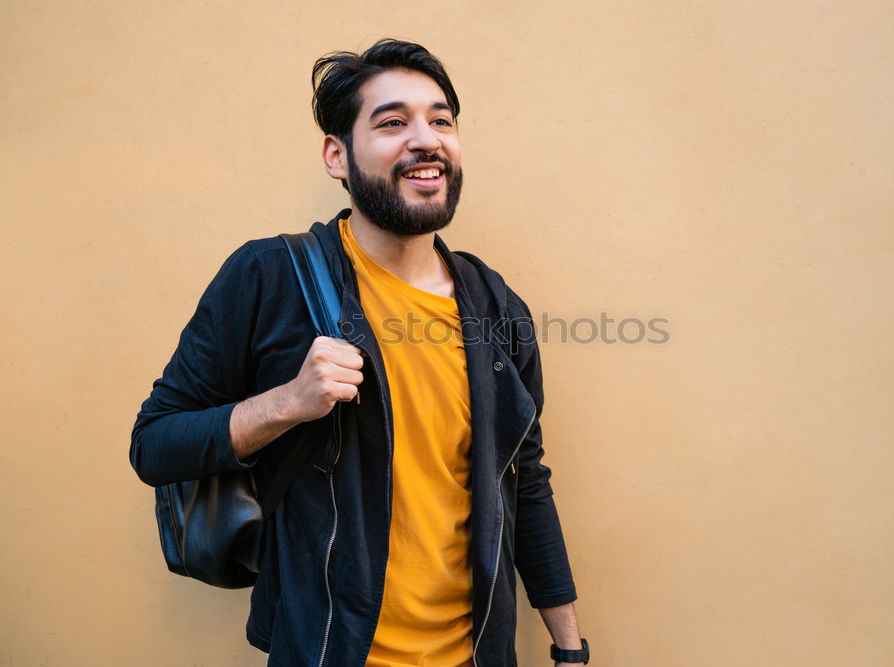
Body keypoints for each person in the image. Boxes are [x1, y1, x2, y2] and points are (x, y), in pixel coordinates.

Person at [131, 39, 588, 667]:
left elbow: (525, 481)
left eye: (442, 120)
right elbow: (154, 444)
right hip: (329, 651)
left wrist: (570, 648)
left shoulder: (496, 305)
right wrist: (288, 402)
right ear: (336, 155)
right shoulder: (269, 278)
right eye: (393, 122)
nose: (425, 139)